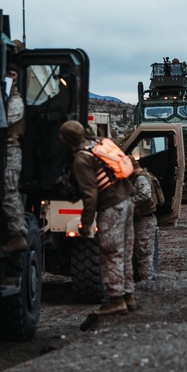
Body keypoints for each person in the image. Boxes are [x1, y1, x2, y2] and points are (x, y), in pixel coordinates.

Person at [59, 120, 136, 315]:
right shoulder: (97, 144)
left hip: (111, 206)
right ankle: (128, 296)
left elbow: (90, 195)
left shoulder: (81, 160)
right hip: (126, 200)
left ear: (66, 140)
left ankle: (116, 300)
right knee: (125, 251)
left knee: (111, 253)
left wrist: (85, 224)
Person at [1, 67, 29, 253]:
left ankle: (18, 234)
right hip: (2, 150)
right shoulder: (5, 98)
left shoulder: (16, 101)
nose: (10, 77)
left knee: (9, 191)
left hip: (11, 149)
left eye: (13, 74)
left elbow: (3, 119)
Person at [131, 159, 163, 282]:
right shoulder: (144, 176)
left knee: (144, 254)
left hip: (144, 220)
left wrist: (128, 203)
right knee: (143, 253)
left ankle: (146, 283)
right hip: (143, 220)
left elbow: (145, 195)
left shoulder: (141, 178)